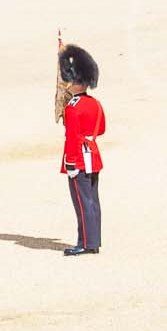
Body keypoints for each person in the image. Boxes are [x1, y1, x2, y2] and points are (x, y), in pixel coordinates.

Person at [57, 42, 107, 256]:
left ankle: (85, 243)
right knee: (93, 201)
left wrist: (71, 163)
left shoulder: (73, 108)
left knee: (82, 202)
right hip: (93, 155)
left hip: (78, 158)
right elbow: (101, 128)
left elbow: (71, 139)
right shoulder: (95, 103)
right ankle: (93, 240)